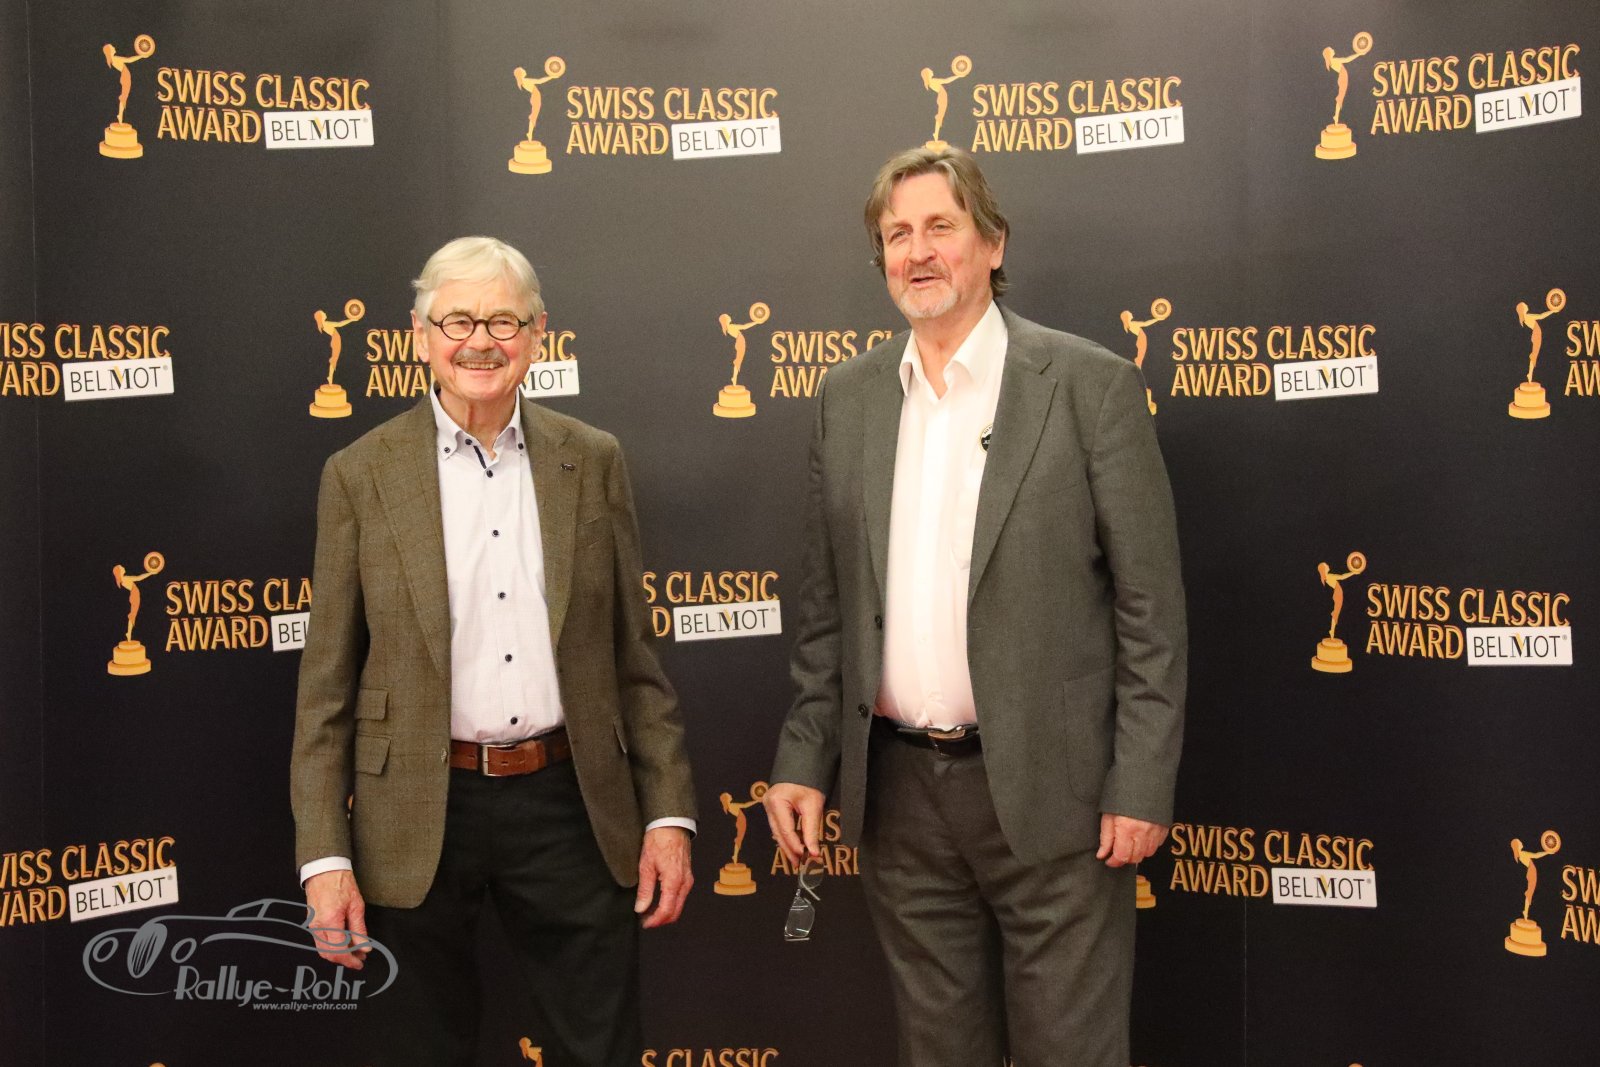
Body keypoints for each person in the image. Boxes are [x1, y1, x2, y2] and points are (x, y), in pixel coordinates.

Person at [762, 147, 1186, 1066]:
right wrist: (802, 758)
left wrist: (1141, 782)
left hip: (1059, 793)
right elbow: (828, 612)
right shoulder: (846, 398)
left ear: (993, 243)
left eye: (939, 227)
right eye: (896, 235)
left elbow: (1151, 611)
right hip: (900, 798)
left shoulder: (1089, 386)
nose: (917, 252)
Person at [291, 236, 696, 1067]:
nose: (480, 341)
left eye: (503, 321)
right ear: (419, 335)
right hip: (413, 809)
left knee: (601, 1048)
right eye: (458, 321)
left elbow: (635, 659)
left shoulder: (593, 459)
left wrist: (668, 814)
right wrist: (324, 856)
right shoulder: (359, 474)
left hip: (570, 802)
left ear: (538, 333)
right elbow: (326, 688)